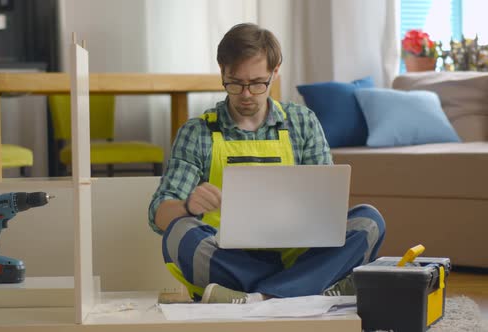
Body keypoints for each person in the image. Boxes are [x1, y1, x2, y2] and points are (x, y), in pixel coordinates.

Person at [148, 23, 385, 304]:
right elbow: (158, 214)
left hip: (297, 254)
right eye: (235, 82)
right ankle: (306, 287)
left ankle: (259, 297)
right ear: (222, 71)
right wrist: (187, 206)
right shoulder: (197, 131)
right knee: (178, 233)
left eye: (258, 83)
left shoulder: (303, 121)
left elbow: (327, 208)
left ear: (275, 71)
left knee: (369, 220)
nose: (246, 94)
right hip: (228, 257)